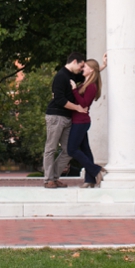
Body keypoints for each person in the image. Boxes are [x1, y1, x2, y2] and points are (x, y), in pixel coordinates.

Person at [43, 52, 88, 188]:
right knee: (51, 148)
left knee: (69, 150)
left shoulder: (72, 75)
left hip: (67, 117)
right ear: (74, 61)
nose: (82, 69)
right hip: (56, 116)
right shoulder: (61, 76)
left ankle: (54, 177)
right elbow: (59, 99)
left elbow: (90, 74)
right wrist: (77, 108)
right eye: (81, 66)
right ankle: (48, 180)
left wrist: (103, 65)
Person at [68, 57, 108, 188]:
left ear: (90, 70)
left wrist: (74, 89)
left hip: (81, 122)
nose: (82, 68)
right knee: (85, 151)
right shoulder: (86, 83)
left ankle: (96, 170)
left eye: (84, 66)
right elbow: (96, 70)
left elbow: (84, 103)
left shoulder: (91, 86)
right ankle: (90, 180)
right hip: (79, 121)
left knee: (72, 149)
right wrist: (103, 65)